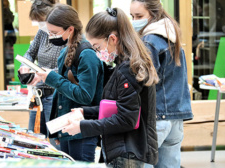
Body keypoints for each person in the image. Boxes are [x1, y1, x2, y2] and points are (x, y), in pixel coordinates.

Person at [61, 7, 159, 167]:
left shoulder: (128, 69)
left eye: (97, 47)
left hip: (128, 152)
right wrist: (84, 112)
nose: (97, 53)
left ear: (113, 39)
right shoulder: (125, 64)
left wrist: (82, 127)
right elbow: (116, 106)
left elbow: (126, 119)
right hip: (125, 149)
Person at [36, 4, 104, 162]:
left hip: (82, 130)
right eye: (50, 32)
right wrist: (56, 130)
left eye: (54, 33)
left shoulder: (87, 54)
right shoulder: (65, 51)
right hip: (66, 127)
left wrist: (53, 79)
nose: (52, 37)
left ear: (70, 29)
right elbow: (60, 96)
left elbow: (85, 96)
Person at [130, 0, 193, 167]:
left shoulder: (149, 41)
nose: (134, 21)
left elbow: (143, 80)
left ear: (154, 14)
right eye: (132, 16)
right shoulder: (173, 36)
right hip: (176, 117)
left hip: (156, 117)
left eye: (139, 16)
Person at [18, 0, 66, 139]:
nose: (41, 26)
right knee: (33, 138)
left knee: (54, 141)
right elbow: (30, 52)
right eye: (38, 22)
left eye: (43, 21)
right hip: (38, 95)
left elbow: (68, 69)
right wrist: (25, 65)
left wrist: (47, 74)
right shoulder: (42, 33)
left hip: (55, 95)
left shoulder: (65, 36)